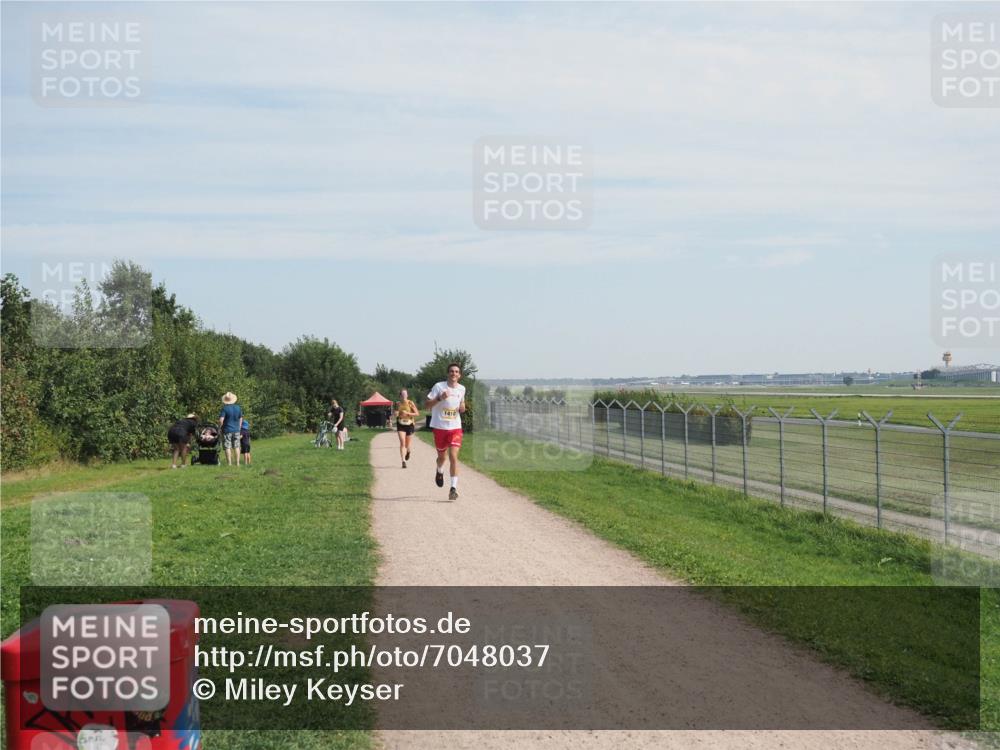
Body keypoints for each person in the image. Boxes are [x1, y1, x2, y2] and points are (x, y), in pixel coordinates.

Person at [425, 363, 466, 500]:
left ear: (459, 375)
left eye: (456, 372)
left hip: (455, 427)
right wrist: (439, 398)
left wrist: (462, 406)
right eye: (451, 371)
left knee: (453, 456)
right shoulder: (439, 386)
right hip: (440, 427)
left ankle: (453, 489)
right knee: (442, 457)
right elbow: (427, 405)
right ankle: (439, 470)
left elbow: (462, 403)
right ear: (448, 374)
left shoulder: (462, 389)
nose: (454, 373)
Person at [395, 389, 420, 468]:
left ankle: (408, 451)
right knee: (402, 442)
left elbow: (417, 413)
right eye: (402, 395)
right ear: (400, 396)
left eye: (405, 395)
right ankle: (403, 461)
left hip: (409, 424)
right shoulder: (398, 404)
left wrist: (408, 413)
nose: (404, 396)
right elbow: (395, 414)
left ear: (407, 395)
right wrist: (396, 414)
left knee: (407, 445)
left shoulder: (410, 403)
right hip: (400, 424)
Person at [219, 392, 243, 466]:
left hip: (227, 430)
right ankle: (238, 463)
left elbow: (221, 420)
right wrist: (239, 427)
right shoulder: (238, 407)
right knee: (237, 446)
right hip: (236, 430)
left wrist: (220, 427)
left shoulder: (225, 408)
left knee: (227, 447)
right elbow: (241, 418)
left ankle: (229, 463)